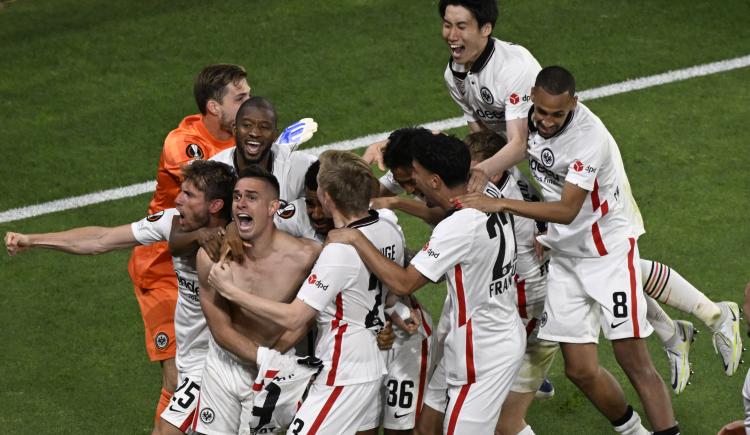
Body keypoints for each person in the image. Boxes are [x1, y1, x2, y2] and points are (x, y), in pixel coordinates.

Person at [455, 66, 678, 434]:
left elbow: (567, 210)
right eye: (541, 111)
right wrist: (481, 169)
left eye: (557, 114)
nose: (545, 121)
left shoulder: (588, 139)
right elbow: (512, 145)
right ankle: (634, 431)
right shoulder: (523, 108)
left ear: (573, 103)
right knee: (579, 369)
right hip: (565, 254)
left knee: (633, 360)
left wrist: (503, 205)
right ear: (532, 98)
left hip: (607, 253)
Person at [5, 160, 236, 435]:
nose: (177, 199)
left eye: (188, 195)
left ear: (215, 205)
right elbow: (101, 239)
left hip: (223, 361)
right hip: (191, 357)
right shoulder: (169, 223)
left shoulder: (242, 238)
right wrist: (33, 240)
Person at [328, 135, 524, 435]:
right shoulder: (482, 190)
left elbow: (404, 283)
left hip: (482, 353)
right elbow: (442, 209)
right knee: (426, 428)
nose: (412, 180)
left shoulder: (457, 228)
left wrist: (356, 237)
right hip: (484, 333)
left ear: (434, 181)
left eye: (416, 173)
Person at [209, 150, 403, 434]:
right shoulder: (387, 226)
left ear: (327, 197)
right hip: (368, 361)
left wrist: (230, 291)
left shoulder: (337, 252)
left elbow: (294, 317)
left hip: (343, 369)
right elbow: (390, 295)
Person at [127, 64, 251, 424]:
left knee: (215, 366)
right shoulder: (183, 142)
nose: (248, 104)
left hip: (208, 260)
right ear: (214, 107)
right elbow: (207, 182)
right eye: (240, 98)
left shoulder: (238, 140)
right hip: (163, 266)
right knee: (178, 376)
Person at [193, 166, 321, 435]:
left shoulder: (306, 256)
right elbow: (221, 330)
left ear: (273, 207)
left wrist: (274, 359)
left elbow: (312, 315)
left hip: (273, 369)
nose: (241, 202)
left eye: (252, 197)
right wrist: (267, 358)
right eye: (237, 196)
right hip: (223, 365)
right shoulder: (212, 258)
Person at [211, 96, 317, 203]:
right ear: (235, 129)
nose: (255, 133)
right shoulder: (213, 172)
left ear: (275, 135)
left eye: (264, 127)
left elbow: (329, 175)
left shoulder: (296, 166)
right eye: (247, 125)